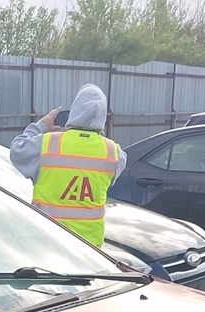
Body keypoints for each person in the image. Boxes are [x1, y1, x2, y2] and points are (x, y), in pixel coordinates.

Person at [9, 84, 126, 247]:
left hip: (47, 243)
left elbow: (17, 149)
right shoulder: (114, 153)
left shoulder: (47, 144)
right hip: (91, 251)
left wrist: (41, 125)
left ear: (75, 111)